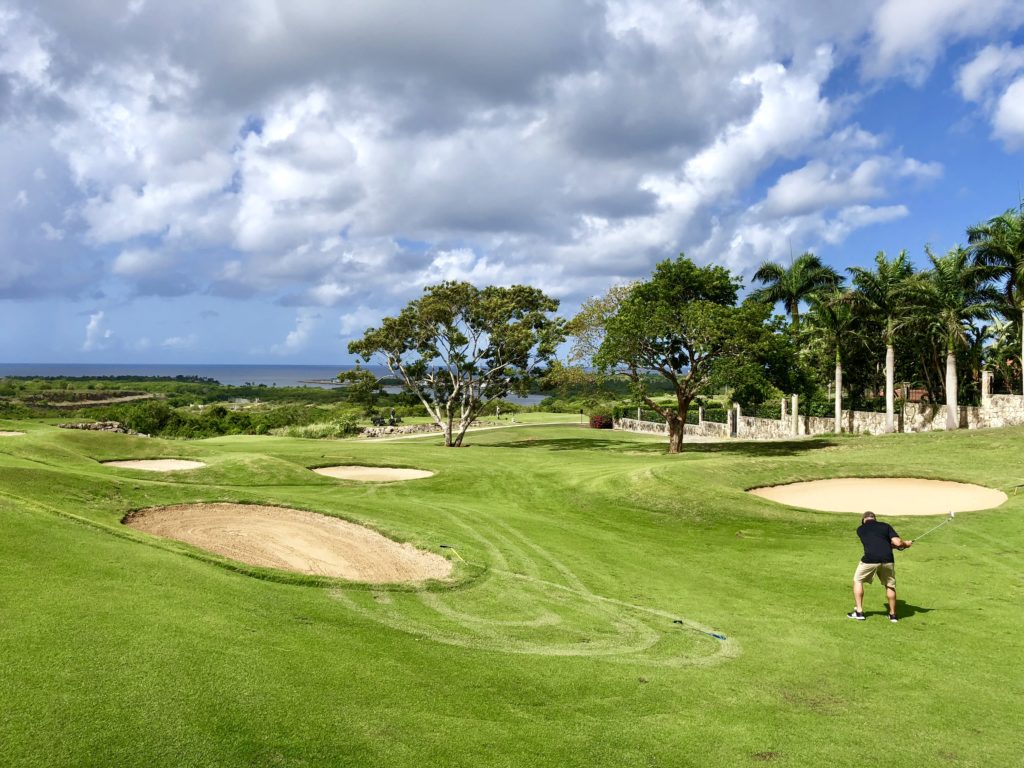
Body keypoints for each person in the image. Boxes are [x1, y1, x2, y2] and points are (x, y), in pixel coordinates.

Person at [848, 511, 912, 623]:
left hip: (870, 559)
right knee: (890, 585)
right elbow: (897, 543)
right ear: (875, 518)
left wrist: (901, 545)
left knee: (858, 580)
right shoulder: (885, 526)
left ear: (864, 520)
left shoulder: (860, 529)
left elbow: (877, 542)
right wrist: (905, 544)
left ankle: (859, 612)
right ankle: (893, 615)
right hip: (887, 559)